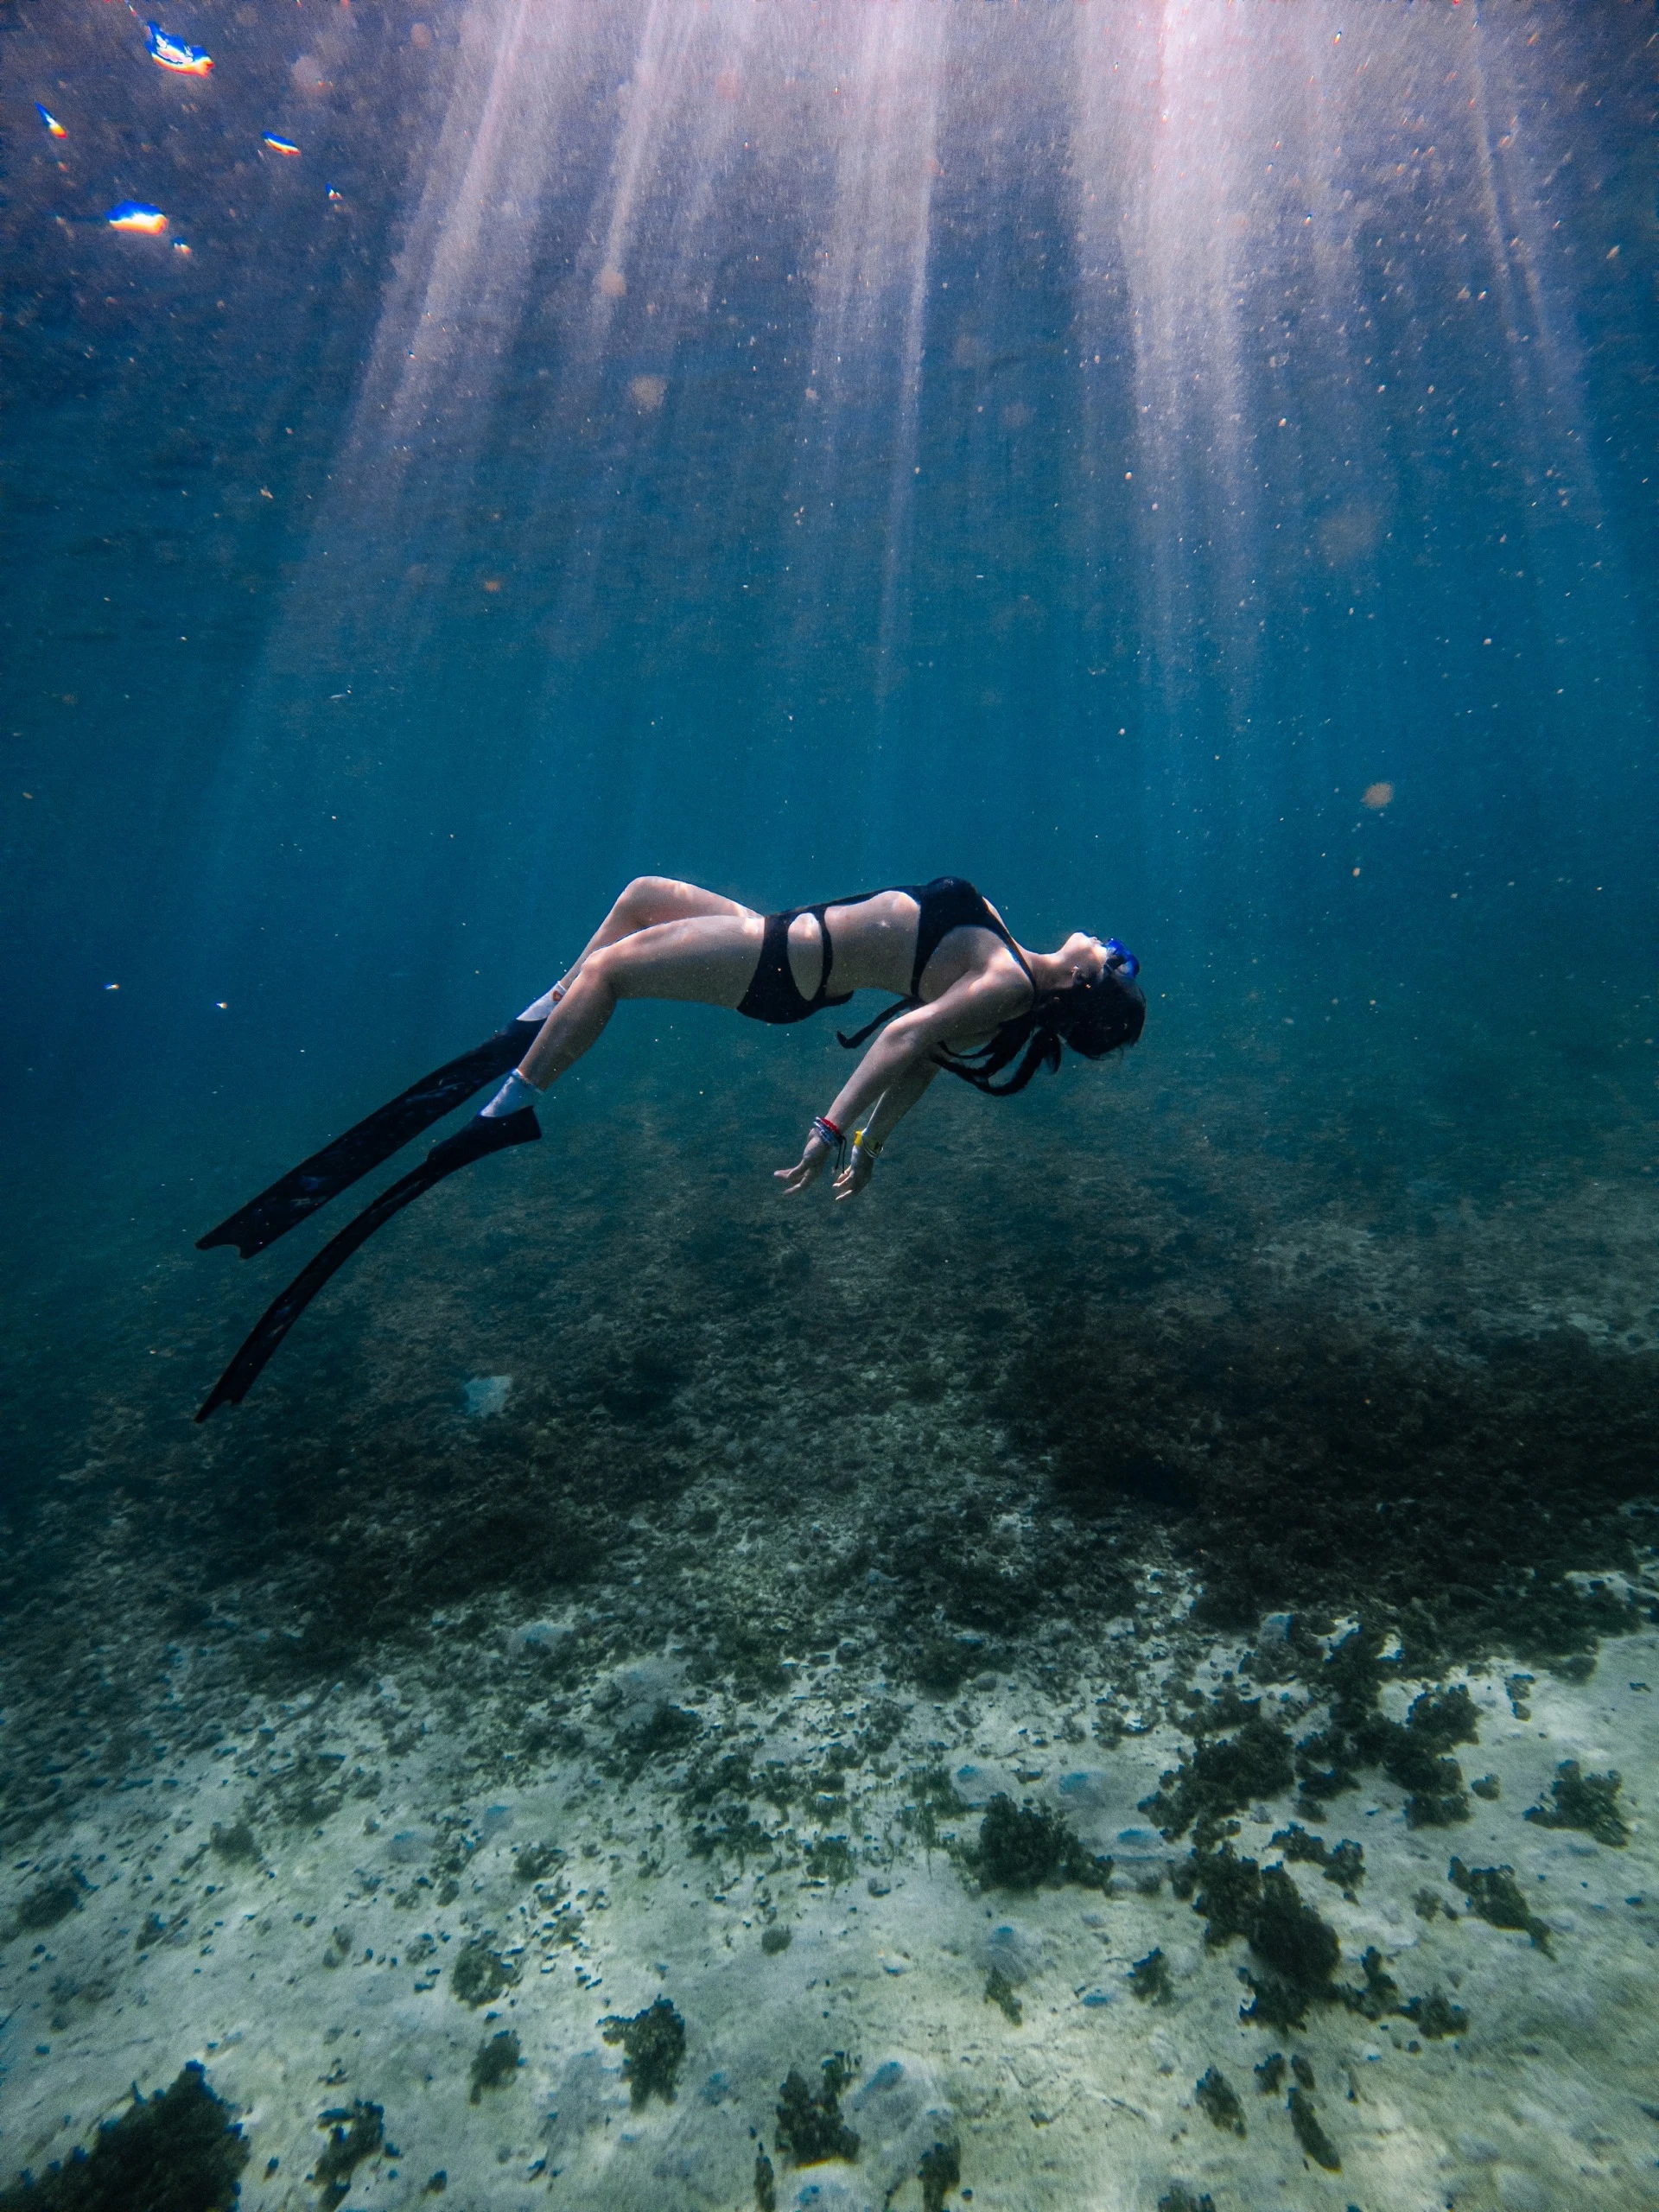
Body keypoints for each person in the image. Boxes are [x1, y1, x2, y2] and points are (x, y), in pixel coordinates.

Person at [477, 874, 1145, 1200]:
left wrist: (833, 1129)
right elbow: (929, 1057)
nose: (1108, 945)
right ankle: (541, 1024)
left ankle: (509, 1105)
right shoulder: (1007, 970)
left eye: (1115, 959)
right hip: (774, 938)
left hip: (774, 971)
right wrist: (871, 1145)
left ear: (1090, 985)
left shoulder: (1009, 984)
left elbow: (906, 1041)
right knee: (642, 897)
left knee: (611, 971)